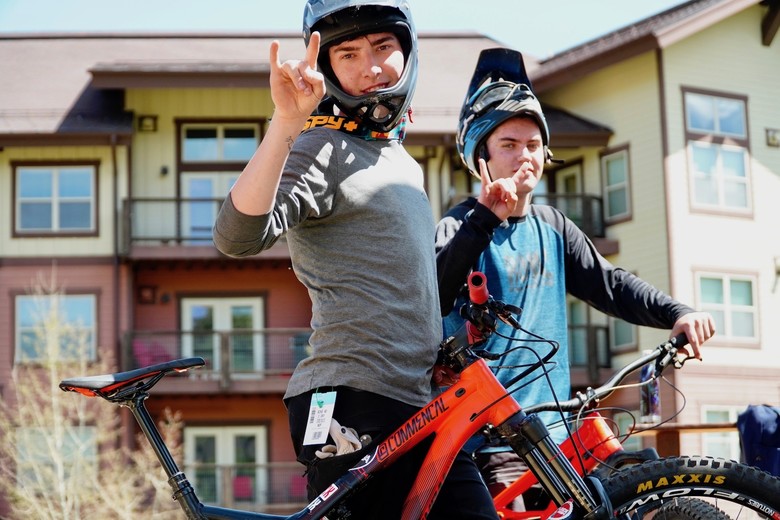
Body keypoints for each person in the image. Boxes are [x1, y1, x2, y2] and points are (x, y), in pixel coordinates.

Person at [213, 1, 497, 518]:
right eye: (348, 54)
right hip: (351, 400)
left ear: (407, 49)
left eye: (383, 47)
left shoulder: (400, 160)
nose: (370, 67)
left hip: (417, 401)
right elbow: (236, 237)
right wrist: (286, 121)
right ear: (328, 68)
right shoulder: (322, 147)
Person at [435, 48, 716, 509]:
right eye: (508, 145)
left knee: (634, 496)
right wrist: (485, 217)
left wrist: (677, 313)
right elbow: (437, 291)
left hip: (558, 436)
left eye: (532, 145)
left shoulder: (554, 227)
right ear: (479, 156)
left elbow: (612, 285)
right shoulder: (458, 225)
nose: (524, 156)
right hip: (489, 444)